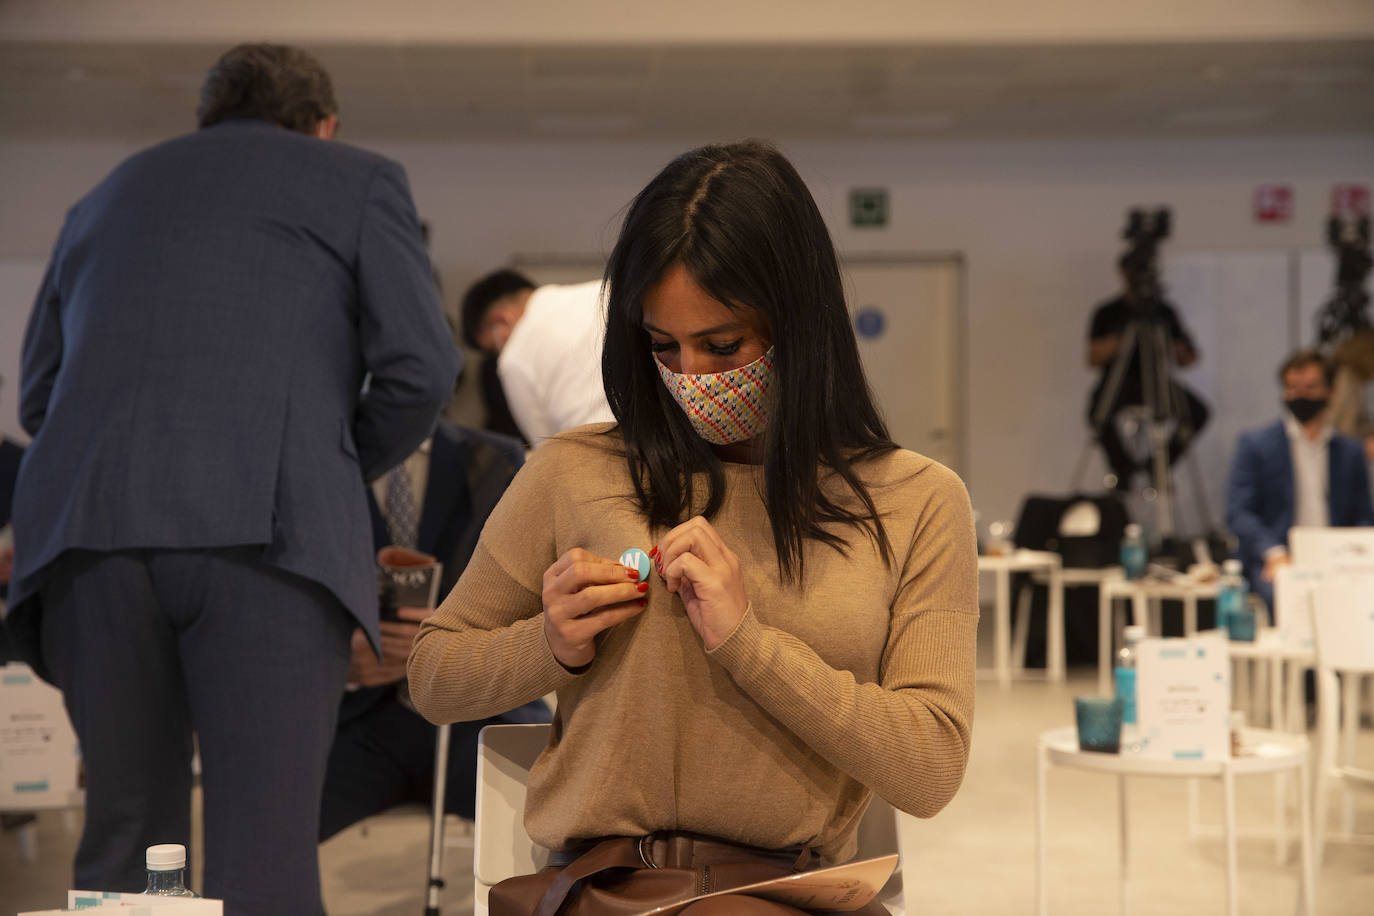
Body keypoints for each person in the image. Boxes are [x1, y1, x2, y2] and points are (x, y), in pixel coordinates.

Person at [409, 141, 977, 915]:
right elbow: (434, 676)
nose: (694, 378)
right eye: (663, 346)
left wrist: (750, 644)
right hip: (599, 887)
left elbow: (930, 767)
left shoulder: (913, 500)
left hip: (790, 890)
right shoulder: (573, 471)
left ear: (800, 325)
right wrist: (549, 642)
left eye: (723, 345)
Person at [6, 43, 458, 914]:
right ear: (324, 126)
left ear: (207, 118)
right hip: (266, 542)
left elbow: (39, 398)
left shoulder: (103, 197)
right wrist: (320, 466)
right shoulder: (357, 179)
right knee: (264, 846)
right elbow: (422, 371)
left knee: (126, 838)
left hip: (86, 533)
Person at [320, 420, 550, 840]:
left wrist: (449, 651)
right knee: (273, 835)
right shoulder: (316, 462)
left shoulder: (493, 460)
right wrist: (336, 658)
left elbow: (534, 599)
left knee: (548, 827)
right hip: (355, 720)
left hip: (477, 712)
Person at [1227, 349, 1374, 611]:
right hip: (1281, 555)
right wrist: (1272, 551)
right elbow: (1238, 512)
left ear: (1329, 390)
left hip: (1338, 557)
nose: (1300, 395)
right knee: (1285, 594)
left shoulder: (1349, 451)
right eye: (1293, 388)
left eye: (1310, 387)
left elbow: (1362, 515)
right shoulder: (1257, 445)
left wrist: (1357, 552)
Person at [1085, 259, 1210, 491]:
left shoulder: (1163, 312)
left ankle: (1158, 467)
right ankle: (1124, 470)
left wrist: (1170, 345)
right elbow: (1092, 358)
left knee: (1197, 412)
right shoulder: (1108, 312)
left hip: (1155, 381)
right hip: (1117, 381)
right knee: (1096, 415)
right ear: (1123, 273)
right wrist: (1123, 337)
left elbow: (1189, 359)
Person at [459, 268, 614, 446]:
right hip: (648, 432)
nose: (499, 355)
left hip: (600, 455)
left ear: (501, 320)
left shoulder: (514, 357)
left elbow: (545, 451)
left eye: (493, 349)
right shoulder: (601, 290)